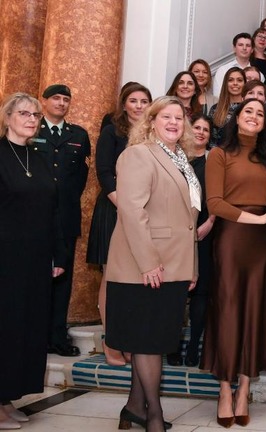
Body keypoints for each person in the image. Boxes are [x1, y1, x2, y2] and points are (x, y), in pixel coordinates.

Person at [106, 96, 200, 432]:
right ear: (152, 120)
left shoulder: (181, 160)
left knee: (152, 340)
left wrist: (192, 267)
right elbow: (132, 211)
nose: (174, 122)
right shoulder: (138, 154)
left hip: (174, 264)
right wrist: (148, 262)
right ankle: (154, 416)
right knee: (147, 344)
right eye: (167, 116)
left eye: (180, 117)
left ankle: (134, 407)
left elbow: (188, 220)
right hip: (143, 266)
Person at [202, 99, 266, 427]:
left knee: (255, 310)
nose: (253, 117)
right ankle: (224, 389)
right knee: (227, 311)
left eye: (259, 113)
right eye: (247, 112)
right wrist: (258, 219)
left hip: (264, 242)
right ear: (236, 119)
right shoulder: (218, 154)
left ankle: (244, 389)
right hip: (231, 238)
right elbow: (215, 203)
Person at [0, 93, 66, 429]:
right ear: (7, 116)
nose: (31, 119)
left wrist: (57, 253)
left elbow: (52, 211)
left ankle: (7, 398)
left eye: (36, 115)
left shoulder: (39, 159)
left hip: (36, 257)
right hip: (5, 259)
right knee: (5, 328)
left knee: (27, 328)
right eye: (23, 113)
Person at [86, 82, 152, 366]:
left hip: (143, 213)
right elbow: (103, 172)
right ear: (124, 104)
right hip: (114, 209)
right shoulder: (112, 132)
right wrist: (125, 205)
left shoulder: (153, 135)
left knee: (135, 280)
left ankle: (126, 339)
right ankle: (110, 341)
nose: (139, 106)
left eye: (144, 101)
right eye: (133, 100)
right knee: (112, 276)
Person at [34, 84, 90, 358]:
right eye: (56, 98)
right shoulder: (32, 131)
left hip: (66, 216)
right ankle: (34, 336)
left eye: (66, 99)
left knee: (62, 278)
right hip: (34, 216)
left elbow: (80, 176)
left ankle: (57, 336)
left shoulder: (78, 134)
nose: (61, 103)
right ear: (43, 101)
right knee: (33, 277)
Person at [179, 114, 215, 368]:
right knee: (176, 291)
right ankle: (171, 346)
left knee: (201, 291)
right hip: (177, 232)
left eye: (206, 129)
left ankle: (194, 348)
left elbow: (219, 194)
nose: (201, 132)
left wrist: (210, 222)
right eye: (197, 128)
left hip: (205, 230)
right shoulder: (176, 158)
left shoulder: (214, 160)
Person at [210, 67, 245, 145]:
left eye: (239, 80)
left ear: (245, 83)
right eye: (230, 80)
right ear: (226, 83)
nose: (235, 83)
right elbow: (212, 141)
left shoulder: (248, 109)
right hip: (220, 154)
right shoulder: (215, 109)